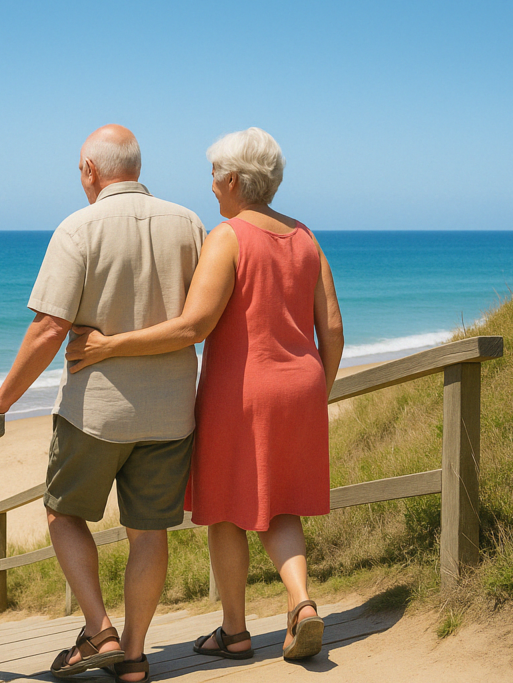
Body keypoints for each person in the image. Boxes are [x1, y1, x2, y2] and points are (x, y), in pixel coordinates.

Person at [66, 127, 344, 662]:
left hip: (243, 392)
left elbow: (192, 327)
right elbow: (330, 328)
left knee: (223, 510)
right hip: (302, 386)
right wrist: (318, 392)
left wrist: (109, 346)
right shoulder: (306, 237)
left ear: (234, 179)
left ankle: (235, 632)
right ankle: (302, 603)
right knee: (279, 501)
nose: (212, 186)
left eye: (215, 176)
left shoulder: (229, 236)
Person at [0, 124, 205, 682]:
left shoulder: (78, 227)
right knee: (150, 532)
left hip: (96, 413)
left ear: (91, 171)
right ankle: (136, 658)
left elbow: (50, 327)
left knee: (63, 512)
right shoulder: (190, 224)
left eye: (80, 169)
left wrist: (2, 399)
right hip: (172, 411)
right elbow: (203, 320)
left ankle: (100, 631)